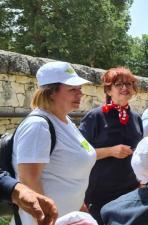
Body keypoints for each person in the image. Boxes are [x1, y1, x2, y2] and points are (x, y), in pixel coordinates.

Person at [11, 61, 96, 225]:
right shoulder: (38, 125)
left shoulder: (66, 121)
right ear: (51, 92)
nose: (80, 94)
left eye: (80, 89)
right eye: (72, 89)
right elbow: (29, 180)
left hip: (68, 218)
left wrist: (81, 209)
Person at [79, 67, 143, 224]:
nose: (125, 88)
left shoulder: (136, 118)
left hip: (130, 190)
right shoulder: (95, 116)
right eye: (119, 84)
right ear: (108, 90)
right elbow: (79, 153)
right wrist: (110, 151)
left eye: (129, 84)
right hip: (100, 192)